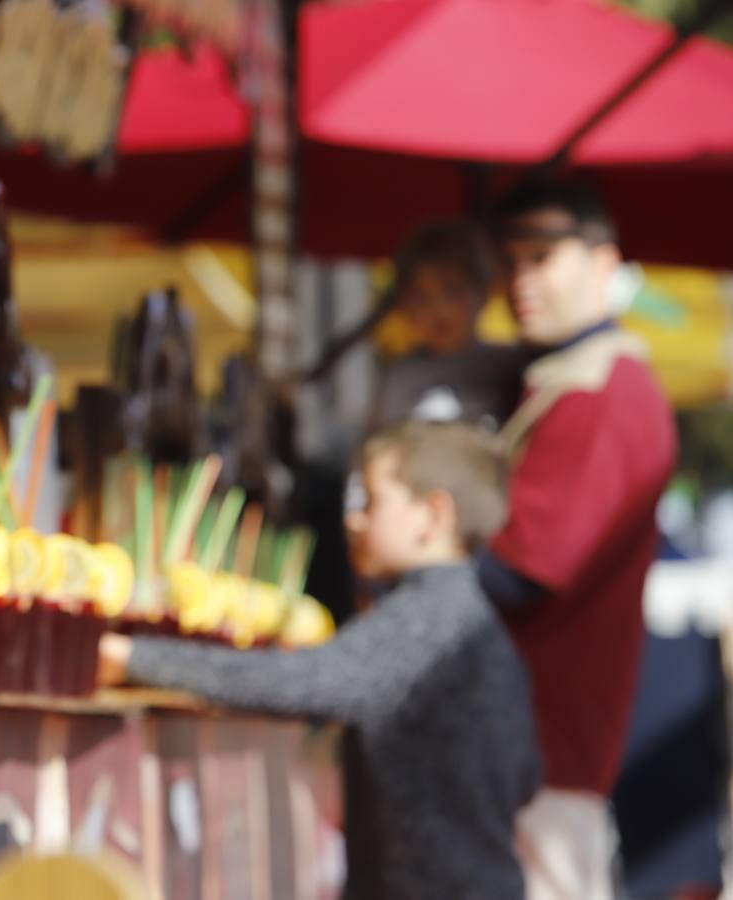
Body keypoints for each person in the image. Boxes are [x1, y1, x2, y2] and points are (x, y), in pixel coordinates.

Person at [100, 421, 540, 900]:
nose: (353, 520)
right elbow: (526, 775)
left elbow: (305, 681)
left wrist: (137, 659)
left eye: (371, 501)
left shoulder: (426, 619)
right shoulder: (479, 622)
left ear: (433, 516)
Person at [477, 181, 676, 899]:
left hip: (543, 752)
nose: (520, 280)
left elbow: (520, 573)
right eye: (511, 259)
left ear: (604, 263)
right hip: (536, 750)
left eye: (541, 257)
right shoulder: (570, 376)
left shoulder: (600, 388)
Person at [371, 219, 527, 431]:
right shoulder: (401, 378)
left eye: (453, 291)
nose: (439, 310)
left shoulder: (510, 367)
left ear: (482, 292)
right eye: (421, 298)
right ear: (404, 305)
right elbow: (379, 448)